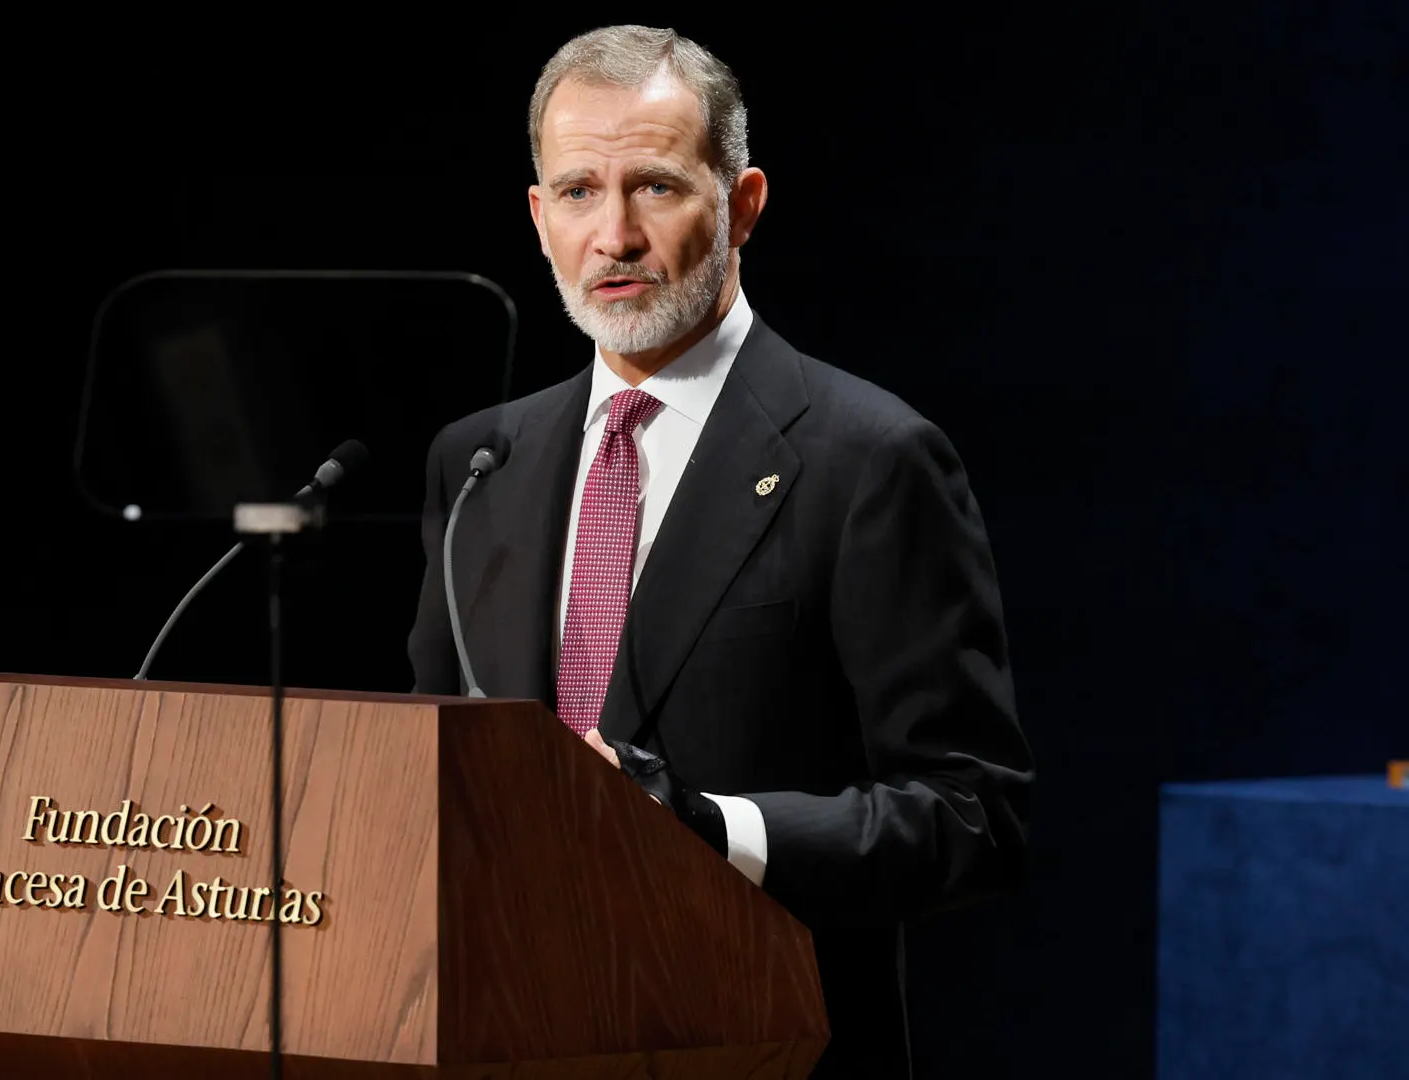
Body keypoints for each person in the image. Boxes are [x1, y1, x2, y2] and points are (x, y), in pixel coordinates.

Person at [406, 24, 1034, 1079]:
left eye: (655, 187)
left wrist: (712, 828)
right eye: (576, 193)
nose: (614, 236)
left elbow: (976, 817)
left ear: (742, 204)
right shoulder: (478, 463)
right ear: (536, 217)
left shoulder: (868, 459)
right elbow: (426, 778)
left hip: (759, 1043)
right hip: (499, 1036)